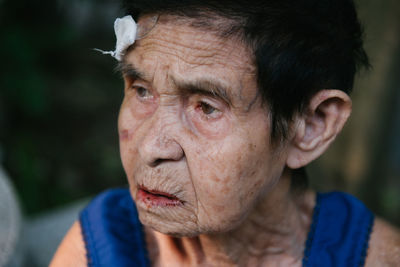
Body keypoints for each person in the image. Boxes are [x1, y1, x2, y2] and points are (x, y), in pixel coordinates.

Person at [50, 0, 400, 266]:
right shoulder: (105, 244)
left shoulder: (379, 257)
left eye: (206, 106)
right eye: (142, 90)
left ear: (311, 126)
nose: (150, 148)